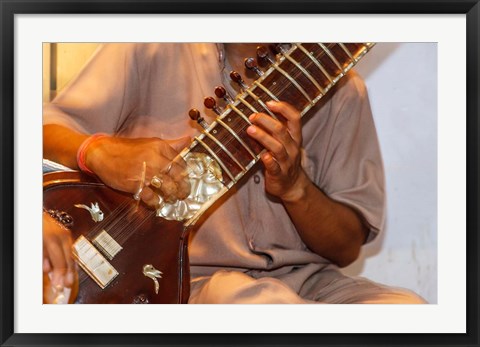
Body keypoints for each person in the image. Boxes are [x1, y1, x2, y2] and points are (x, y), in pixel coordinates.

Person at [43, 43, 426, 304]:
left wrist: (296, 189)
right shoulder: (153, 44)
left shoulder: (339, 88)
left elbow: (346, 248)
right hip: (186, 281)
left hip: (308, 282)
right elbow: (37, 132)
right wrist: (97, 150)